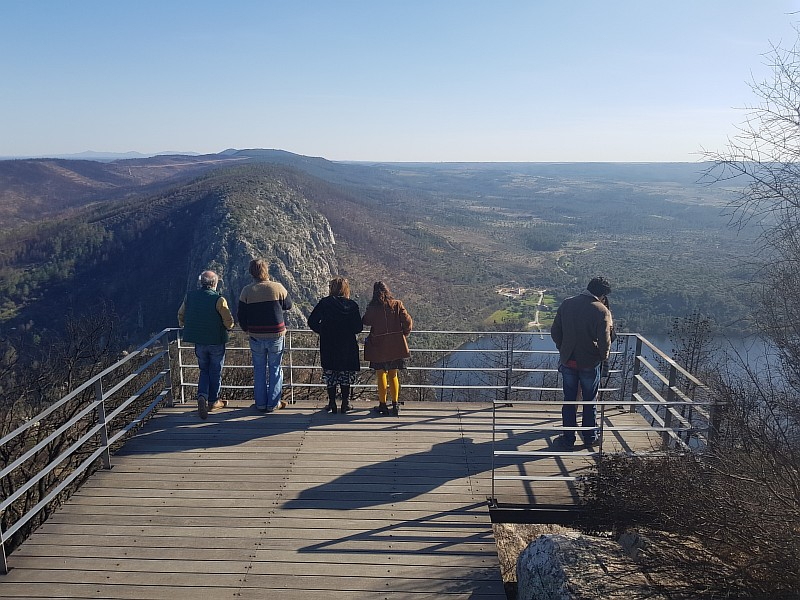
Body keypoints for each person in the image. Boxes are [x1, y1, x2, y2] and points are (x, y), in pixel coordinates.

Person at [550, 276, 614, 450]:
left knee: (569, 400)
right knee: (589, 401)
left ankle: (568, 438)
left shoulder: (567, 303)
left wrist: (563, 348)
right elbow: (605, 341)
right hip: (589, 363)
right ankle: (589, 437)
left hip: (568, 361)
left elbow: (555, 331)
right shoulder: (601, 311)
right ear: (602, 294)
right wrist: (602, 357)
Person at [178, 270, 234, 420]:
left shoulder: (190, 297)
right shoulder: (218, 299)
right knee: (215, 371)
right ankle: (213, 401)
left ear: (201, 283)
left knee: (204, 370)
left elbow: (181, 315)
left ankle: (202, 395)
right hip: (216, 341)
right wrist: (229, 327)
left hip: (199, 342)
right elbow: (228, 320)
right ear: (215, 283)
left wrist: (184, 325)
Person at [238, 258, 293, 412]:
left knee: (259, 370)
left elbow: (241, 315)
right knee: (275, 369)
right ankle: (273, 403)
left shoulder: (247, 291)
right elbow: (288, 305)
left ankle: (261, 403)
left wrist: (245, 329)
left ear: (251, 273)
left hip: (255, 335)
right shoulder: (277, 287)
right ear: (266, 271)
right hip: (276, 335)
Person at [307, 276, 363, 414]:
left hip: (329, 344)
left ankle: (332, 402)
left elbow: (312, 321)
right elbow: (358, 327)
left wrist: (323, 331)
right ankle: (345, 403)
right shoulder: (352, 305)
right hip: (347, 345)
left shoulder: (325, 303)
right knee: (345, 374)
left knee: (330, 374)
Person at [362, 281, 413, 416]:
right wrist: (403, 334)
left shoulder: (373, 308)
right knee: (393, 375)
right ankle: (395, 404)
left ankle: (382, 405)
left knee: (381, 375)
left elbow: (365, 321)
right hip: (396, 346)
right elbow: (408, 321)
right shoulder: (397, 304)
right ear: (387, 291)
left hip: (378, 346)